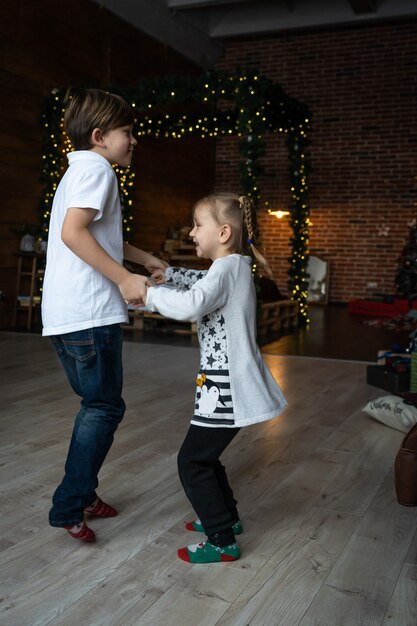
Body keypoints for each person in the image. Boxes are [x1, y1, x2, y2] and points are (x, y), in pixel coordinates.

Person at [41, 87, 165, 543]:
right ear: (100, 136)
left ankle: (85, 492)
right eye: (127, 133)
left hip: (65, 316)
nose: (133, 141)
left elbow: (95, 234)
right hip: (90, 316)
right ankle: (70, 505)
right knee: (103, 407)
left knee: (96, 405)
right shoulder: (99, 171)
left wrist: (142, 257)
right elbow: (76, 235)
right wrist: (123, 279)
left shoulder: (77, 171)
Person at [146, 192, 287, 563]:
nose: (191, 232)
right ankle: (227, 518)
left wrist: (148, 294)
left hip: (224, 386)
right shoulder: (234, 266)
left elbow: (193, 303)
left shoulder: (226, 270)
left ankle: (221, 539)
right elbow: (201, 282)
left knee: (192, 461)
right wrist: (170, 274)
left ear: (223, 232)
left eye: (197, 225)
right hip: (221, 382)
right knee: (206, 457)